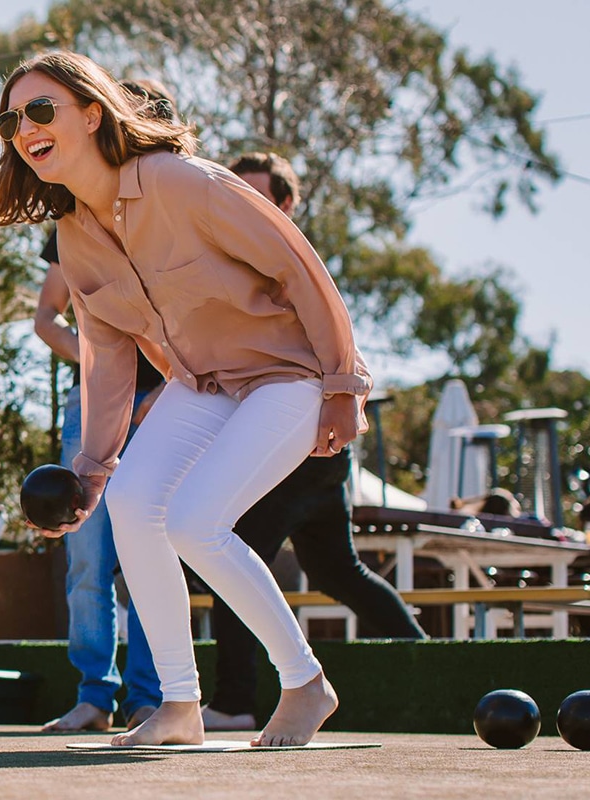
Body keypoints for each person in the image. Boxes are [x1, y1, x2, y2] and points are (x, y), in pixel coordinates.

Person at [0, 51, 370, 748]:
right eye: (12, 119)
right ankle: (180, 708)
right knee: (133, 506)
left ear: (93, 113)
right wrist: (93, 469)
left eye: (42, 109)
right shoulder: (74, 237)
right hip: (205, 386)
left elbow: (298, 263)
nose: (25, 127)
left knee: (196, 522)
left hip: (289, 374)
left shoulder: (178, 181)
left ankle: (307, 683)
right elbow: (107, 361)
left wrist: (344, 384)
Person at [199, 153, 427, 734]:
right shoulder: (234, 257)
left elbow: (333, 334)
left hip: (307, 442)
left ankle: (233, 700)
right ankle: (427, 657)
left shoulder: (288, 259)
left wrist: (344, 396)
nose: (247, 206)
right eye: (238, 195)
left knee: (226, 548)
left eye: (260, 196)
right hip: (314, 452)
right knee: (337, 569)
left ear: (287, 204)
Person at [33, 79, 175, 733]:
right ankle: (96, 694)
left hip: (177, 403)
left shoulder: (177, 207)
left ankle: (154, 696)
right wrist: (101, 363)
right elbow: (46, 319)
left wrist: (168, 387)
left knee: (154, 547)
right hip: (95, 405)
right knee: (88, 553)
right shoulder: (76, 218)